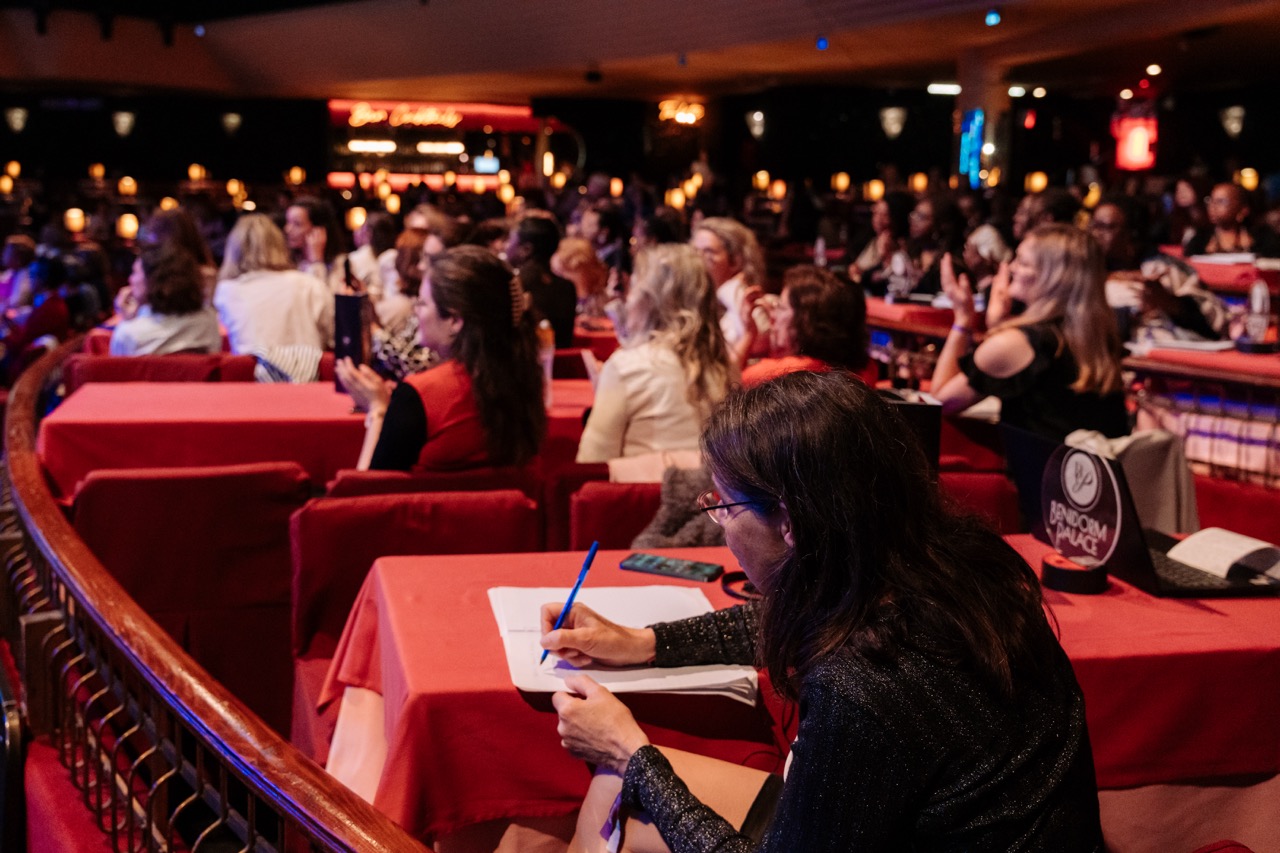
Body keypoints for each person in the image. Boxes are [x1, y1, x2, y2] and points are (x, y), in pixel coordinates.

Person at [543, 371, 1102, 852]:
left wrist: (631, 752)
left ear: (789, 522)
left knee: (621, 783)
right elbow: (799, 617)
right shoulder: (957, 565)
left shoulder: (863, 686)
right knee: (613, 790)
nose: (722, 525)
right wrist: (645, 642)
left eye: (725, 506)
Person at [336, 245, 546, 472]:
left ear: (455, 321)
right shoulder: (525, 382)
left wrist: (377, 411)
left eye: (423, 303)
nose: (416, 311)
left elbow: (368, 489)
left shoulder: (421, 396)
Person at [930, 223, 1129, 441]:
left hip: (1042, 464)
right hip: (1090, 462)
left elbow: (940, 402)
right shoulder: (1098, 338)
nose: (1011, 267)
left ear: (1053, 278)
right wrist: (998, 325)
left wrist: (963, 318)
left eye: (1023, 262)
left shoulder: (1016, 343)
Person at [576, 244, 731, 463]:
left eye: (634, 286)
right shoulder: (725, 367)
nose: (629, 297)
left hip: (647, 485)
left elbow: (593, 462)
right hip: (712, 486)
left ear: (647, 300)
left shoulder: (626, 367)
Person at [1089, 200, 1228, 343]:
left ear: (1130, 232)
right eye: (1093, 225)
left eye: (1106, 227)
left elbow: (1215, 325)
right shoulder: (1086, 270)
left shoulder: (1165, 270)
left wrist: (1169, 302)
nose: (1096, 233)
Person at [213, 213, 333, 356]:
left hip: (252, 369)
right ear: (278, 245)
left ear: (233, 250)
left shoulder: (227, 291)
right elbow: (333, 335)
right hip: (309, 368)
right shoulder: (308, 284)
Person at [738, 265, 871, 387]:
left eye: (781, 308)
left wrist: (749, 334)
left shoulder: (775, 373)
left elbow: (730, 382)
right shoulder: (865, 371)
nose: (773, 316)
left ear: (806, 321)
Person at [109, 244, 221, 356]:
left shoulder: (127, 334)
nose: (131, 279)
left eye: (135, 272)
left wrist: (128, 320)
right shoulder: (208, 321)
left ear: (153, 280)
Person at [691, 217, 766, 358]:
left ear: (735, 261)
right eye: (694, 251)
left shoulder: (749, 303)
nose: (697, 259)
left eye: (708, 252)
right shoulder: (691, 300)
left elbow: (757, 342)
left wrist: (730, 289)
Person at [507, 215, 578, 348]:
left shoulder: (513, 285)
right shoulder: (567, 287)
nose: (506, 246)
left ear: (526, 249)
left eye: (510, 240)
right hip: (564, 360)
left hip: (528, 360)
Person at [1184, 182, 1280, 257]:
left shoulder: (1262, 236)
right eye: (1210, 200)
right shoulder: (1200, 238)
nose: (1213, 206)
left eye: (1221, 201)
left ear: (1243, 210)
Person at [283, 196, 349, 291]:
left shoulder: (340, 263)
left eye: (297, 224)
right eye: (288, 222)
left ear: (318, 230)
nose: (287, 229)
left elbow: (320, 297)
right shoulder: (288, 260)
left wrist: (316, 262)